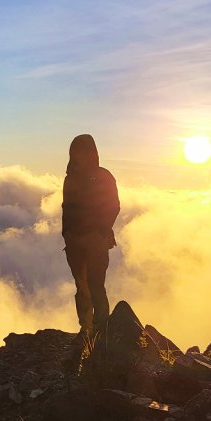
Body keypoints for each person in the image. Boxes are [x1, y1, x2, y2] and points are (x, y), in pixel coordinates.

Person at [61, 134, 120, 338]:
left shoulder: (103, 176)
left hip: (96, 241)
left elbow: (113, 206)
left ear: (93, 152)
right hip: (75, 241)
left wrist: (101, 232)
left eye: (85, 150)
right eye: (77, 150)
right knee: (82, 286)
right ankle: (86, 329)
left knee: (95, 286)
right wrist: (66, 234)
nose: (80, 154)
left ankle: (101, 331)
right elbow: (66, 208)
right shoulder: (70, 179)